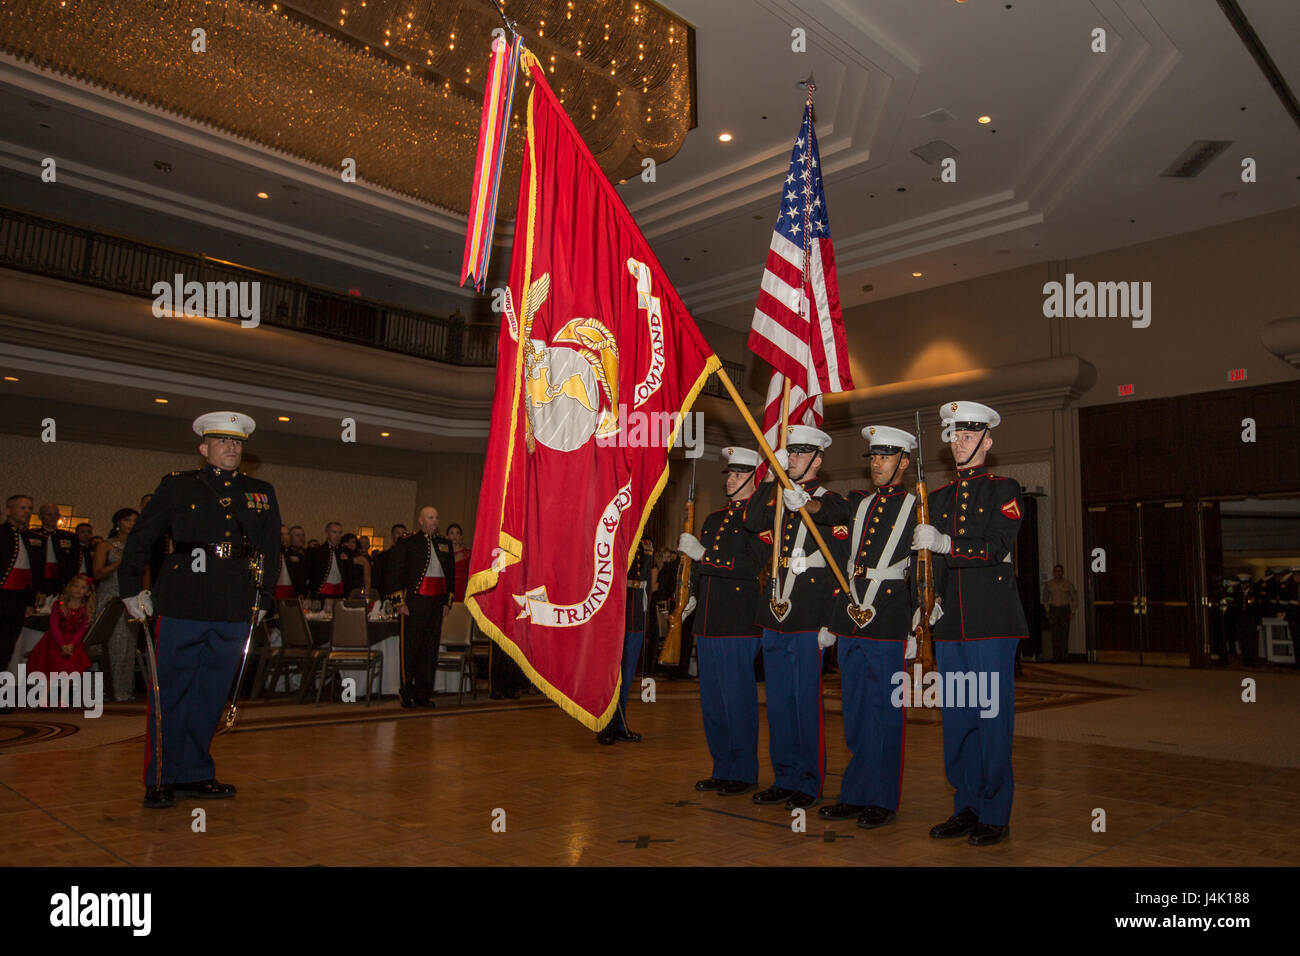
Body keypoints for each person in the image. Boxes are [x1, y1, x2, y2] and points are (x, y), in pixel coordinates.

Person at [119, 411, 281, 810]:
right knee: (170, 691)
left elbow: (270, 550)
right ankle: (161, 775)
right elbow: (143, 537)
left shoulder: (260, 491)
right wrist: (130, 590)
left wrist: (264, 597)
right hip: (184, 599)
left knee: (211, 693)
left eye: (238, 443)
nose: (232, 448)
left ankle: (196, 771)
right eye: (223, 442)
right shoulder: (179, 486)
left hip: (234, 602)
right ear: (204, 448)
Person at [911, 401, 1028, 847]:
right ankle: (967, 804)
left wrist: (945, 542)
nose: (959, 442)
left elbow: (997, 547)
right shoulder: (937, 498)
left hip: (991, 624)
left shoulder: (1005, 490)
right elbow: (931, 568)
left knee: (991, 719)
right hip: (951, 625)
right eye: (953, 436)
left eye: (967, 434)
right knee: (958, 719)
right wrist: (924, 607)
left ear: (987, 440)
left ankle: (996, 812)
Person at [812, 425, 918, 829]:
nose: (877, 464)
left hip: (889, 617)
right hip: (853, 616)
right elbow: (831, 512)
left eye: (886, 457)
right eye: (873, 457)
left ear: (904, 461)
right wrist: (807, 501)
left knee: (885, 713)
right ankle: (855, 794)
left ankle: (883, 799)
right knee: (855, 712)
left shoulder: (915, 507)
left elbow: (925, 571)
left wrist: (916, 625)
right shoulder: (858, 503)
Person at [743, 424, 845, 810]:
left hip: (806, 616)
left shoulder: (830, 499)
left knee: (805, 703)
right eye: (792, 453)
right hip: (775, 613)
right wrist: (770, 477)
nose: (796, 459)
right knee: (780, 704)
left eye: (803, 454)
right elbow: (752, 520)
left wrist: (829, 620)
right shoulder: (775, 496)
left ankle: (809, 780)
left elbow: (838, 542)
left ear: (818, 459)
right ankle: (784, 776)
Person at [676, 447, 766, 795]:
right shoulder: (713, 519)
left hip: (739, 623)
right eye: (729, 473)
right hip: (709, 622)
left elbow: (749, 567)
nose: (730, 479)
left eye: (737, 474)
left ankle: (742, 772)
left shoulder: (759, 520)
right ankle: (722, 766)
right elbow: (699, 570)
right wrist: (691, 596)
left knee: (737, 701)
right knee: (712, 702)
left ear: (753, 478)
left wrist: (704, 555)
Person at [386, 506, 455, 708]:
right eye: (430, 517)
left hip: (436, 603)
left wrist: (447, 602)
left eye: (436, 517)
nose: (434, 521)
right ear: (421, 521)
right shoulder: (408, 542)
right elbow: (394, 573)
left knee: (429, 650)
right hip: (414, 603)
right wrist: (399, 603)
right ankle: (406, 692)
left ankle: (424, 693)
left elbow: (450, 575)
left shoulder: (445, 544)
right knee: (411, 648)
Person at [599, 536, 654, 744]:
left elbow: (646, 583)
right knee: (611, 676)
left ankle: (620, 725)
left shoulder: (647, 544)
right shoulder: (615, 538)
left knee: (628, 674)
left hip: (636, 615)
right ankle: (606, 725)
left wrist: (645, 614)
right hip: (617, 613)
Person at [92, 508, 140, 701]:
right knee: (109, 644)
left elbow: (143, 572)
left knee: (127, 645)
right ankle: (103, 690)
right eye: (128, 520)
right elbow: (98, 574)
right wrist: (120, 562)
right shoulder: (106, 545)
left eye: (135, 520)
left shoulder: (138, 545)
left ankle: (122, 689)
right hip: (110, 597)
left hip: (131, 598)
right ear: (118, 522)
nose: (132, 524)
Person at [1, 495, 43, 676]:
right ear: (8, 511)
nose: (27, 512)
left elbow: (34, 573)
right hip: (2, 595)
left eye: (29, 508)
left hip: (18, 599)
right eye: (22, 508)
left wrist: (29, 602)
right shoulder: (2, 534)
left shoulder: (33, 538)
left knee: (7, 647)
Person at [25, 573, 95, 680]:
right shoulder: (58, 605)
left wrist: (71, 645)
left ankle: (63, 694)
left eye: (83, 587)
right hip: (54, 641)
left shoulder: (85, 609)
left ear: (88, 592)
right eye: (76, 586)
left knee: (72, 664)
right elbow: (54, 626)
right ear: (70, 587)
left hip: (73, 643)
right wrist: (62, 644)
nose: (78, 589)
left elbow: (82, 630)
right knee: (54, 662)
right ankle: (46, 694)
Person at [32, 503, 81, 597]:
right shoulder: (33, 535)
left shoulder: (69, 537)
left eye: (55, 514)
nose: (52, 517)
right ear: (40, 516)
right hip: (39, 580)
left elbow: (74, 562)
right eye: (49, 514)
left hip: (61, 581)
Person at [306, 522, 353, 603]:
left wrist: (347, 562)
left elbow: (350, 576)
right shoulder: (317, 552)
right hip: (321, 595)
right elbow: (310, 574)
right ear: (327, 534)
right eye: (334, 532)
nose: (337, 535)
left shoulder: (346, 552)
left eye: (340, 532)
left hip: (340, 596)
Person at [1042, 564, 1077, 662]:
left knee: (1064, 634)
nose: (1058, 573)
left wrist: (1073, 611)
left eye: (1060, 571)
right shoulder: (1049, 584)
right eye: (1056, 571)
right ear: (1054, 572)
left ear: (1062, 572)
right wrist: (1048, 610)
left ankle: (1064, 657)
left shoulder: (1068, 584)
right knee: (1055, 635)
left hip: (1064, 610)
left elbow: (1074, 598)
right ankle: (1056, 657)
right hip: (1054, 610)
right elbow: (1045, 598)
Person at [339, 533, 371, 597]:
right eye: (347, 542)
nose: (350, 544)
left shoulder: (362, 559)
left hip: (357, 591)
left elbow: (367, 579)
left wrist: (366, 592)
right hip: (340, 590)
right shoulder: (338, 556)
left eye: (353, 542)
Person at [446, 523, 471, 602]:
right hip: (446, 588)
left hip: (462, 588)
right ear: (447, 536)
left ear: (461, 536)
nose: (454, 536)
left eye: (457, 533)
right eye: (452, 533)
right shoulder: (442, 553)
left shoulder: (468, 553)